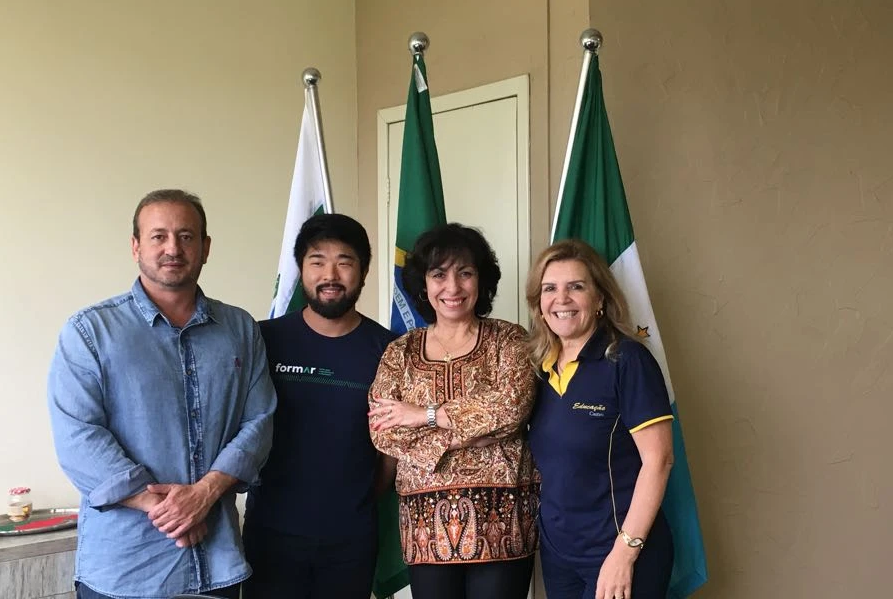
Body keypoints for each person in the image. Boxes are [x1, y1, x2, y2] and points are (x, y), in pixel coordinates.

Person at [47, 189, 276, 599]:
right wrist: (167, 509)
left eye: (186, 236)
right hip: (125, 571)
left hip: (218, 565)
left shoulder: (240, 329)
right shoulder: (89, 332)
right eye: (159, 236)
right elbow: (78, 437)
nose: (173, 248)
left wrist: (205, 494)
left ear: (206, 248)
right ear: (136, 246)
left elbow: (259, 422)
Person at [367, 223, 539, 599]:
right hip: (424, 528)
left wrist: (423, 415)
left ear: (481, 280)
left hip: (503, 521)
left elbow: (511, 408)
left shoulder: (509, 339)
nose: (453, 287)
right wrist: (478, 432)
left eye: (465, 273)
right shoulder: (400, 352)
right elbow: (384, 430)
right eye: (439, 274)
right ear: (423, 284)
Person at [242, 213, 398, 599]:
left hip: (350, 538)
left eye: (344, 262)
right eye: (317, 261)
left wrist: (355, 500)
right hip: (271, 534)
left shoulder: (389, 350)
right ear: (301, 270)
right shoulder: (263, 339)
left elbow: (391, 448)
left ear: (364, 271)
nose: (330, 275)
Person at [524, 239, 676, 599]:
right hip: (560, 554)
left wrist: (624, 553)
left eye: (576, 287)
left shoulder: (627, 361)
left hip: (618, 550)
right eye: (550, 289)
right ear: (539, 304)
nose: (561, 299)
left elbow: (659, 460)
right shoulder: (538, 369)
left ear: (600, 299)